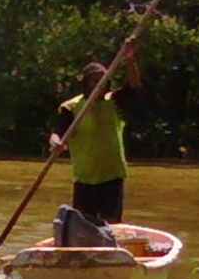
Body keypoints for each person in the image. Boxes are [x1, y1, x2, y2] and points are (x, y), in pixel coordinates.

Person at [48, 40, 141, 224]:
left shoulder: (115, 101)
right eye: (94, 80)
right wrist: (55, 142)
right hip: (85, 178)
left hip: (112, 175)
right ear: (86, 83)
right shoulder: (71, 107)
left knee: (112, 223)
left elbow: (134, 86)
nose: (99, 83)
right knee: (84, 225)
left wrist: (129, 59)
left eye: (102, 79)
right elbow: (58, 132)